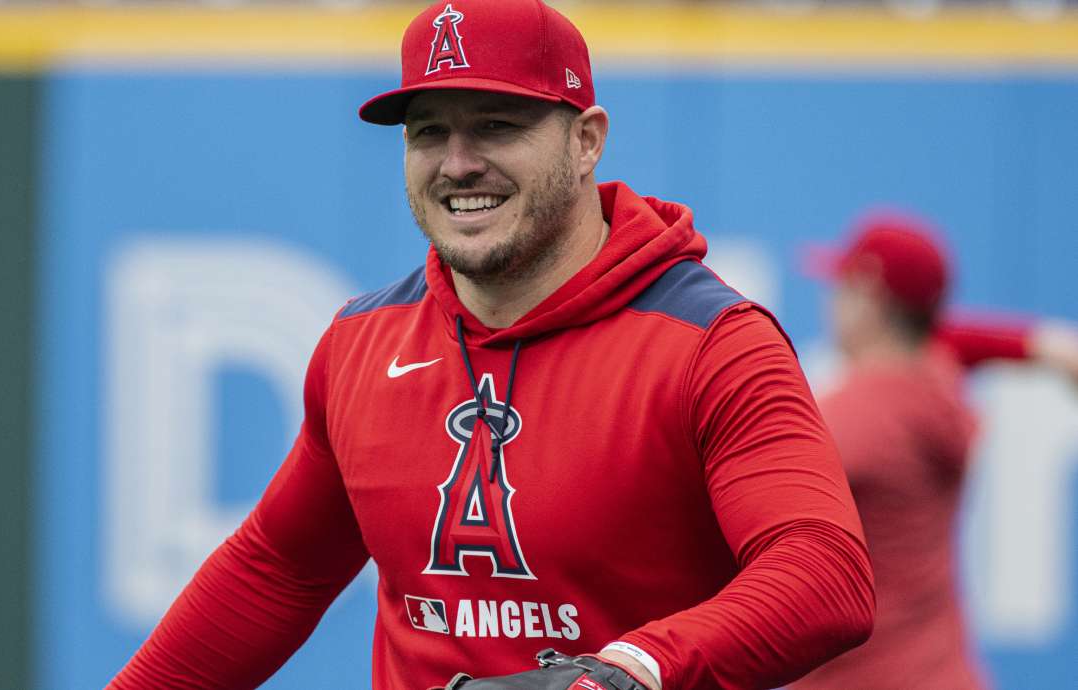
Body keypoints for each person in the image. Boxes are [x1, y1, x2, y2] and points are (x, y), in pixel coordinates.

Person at [108, 2, 876, 688]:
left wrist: (625, 674)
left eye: (497, 125)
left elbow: (825, 575)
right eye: (429, 131)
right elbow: (277, 571)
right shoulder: (359, 343)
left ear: (586, 141)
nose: (458, 162)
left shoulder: (712, 344)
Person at [791, 210, 1078, 690]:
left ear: (869, 299)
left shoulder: (857, 416)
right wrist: (1038, 344)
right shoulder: (934, 376)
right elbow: (946, 340)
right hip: (941, 673)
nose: (831, 300)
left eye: (842, 286)